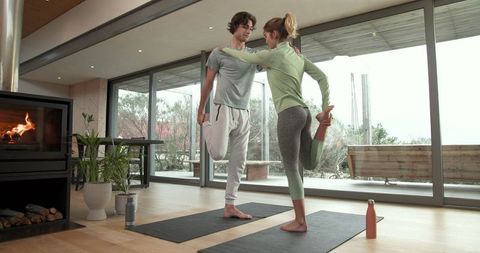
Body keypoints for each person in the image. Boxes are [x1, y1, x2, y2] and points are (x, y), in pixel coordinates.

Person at [222, 12, 334, 232]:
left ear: (274, 34)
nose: (266, 41)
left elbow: (246, 57)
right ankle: (323, 123)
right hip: (305, 113)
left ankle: (300, 221)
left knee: (291, 169)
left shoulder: (273, 55)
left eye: (266, 36)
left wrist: (222, 50)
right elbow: (323, 77)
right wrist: (325, 106)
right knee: (309, 163)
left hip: (289, 115)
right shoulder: (296, 55)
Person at [197, 11, 259, 219]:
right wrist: (201, 110)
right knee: (218, 154)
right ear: (235, 27)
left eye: (251, 28)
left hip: (245, 112)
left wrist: (290, 53)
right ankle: (206, 125)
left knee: (239, 161)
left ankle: (230, 205)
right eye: (245, 27)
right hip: (223, 107)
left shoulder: (253, 54)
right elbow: (208, 83)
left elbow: (273, 61)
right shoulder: (219, 53)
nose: (248, 31)